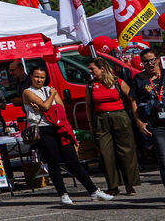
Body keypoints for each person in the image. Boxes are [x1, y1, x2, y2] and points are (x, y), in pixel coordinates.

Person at [21, 66, 112, 204]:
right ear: (31, 77)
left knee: (73, 161)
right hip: (43, 129)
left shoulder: (49, 89)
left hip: (58, 128)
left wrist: (45, 105)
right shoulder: (28, 92)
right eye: (36, 77)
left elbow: (61, 108)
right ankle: (63, 194)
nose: (39, 80)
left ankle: (94, 191)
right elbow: (46, 106)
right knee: (53, 163)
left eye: (42, 77)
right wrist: (51, 97)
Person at [87, 57, 142, 196]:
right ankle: (113, 186)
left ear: (102, 69)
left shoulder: (117, 81)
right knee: (105, 153)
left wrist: (136, 117)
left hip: (119, 117)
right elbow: (88, 105)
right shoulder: (91, 85)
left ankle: (130, 184)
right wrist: (90, 123)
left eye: (92, 69)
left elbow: (132, 98)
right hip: (101, 119)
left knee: (126, 151)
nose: (90, 71)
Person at [130, 48, 164, 186]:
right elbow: (133, 101)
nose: (150, 63)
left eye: (152, 60)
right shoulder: (138, 79)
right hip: (155, 125)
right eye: (145, 61)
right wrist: (139, 122)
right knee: (163, 159)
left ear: (158, 59)